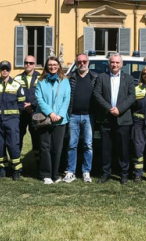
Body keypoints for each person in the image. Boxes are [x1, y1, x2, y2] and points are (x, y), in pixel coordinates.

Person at [93, 53, 136, 184]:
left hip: (123, 119)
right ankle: (105, 173)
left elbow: (132, 96)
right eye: (112, 62)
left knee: (123, 148)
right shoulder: (102, 77)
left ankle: (124, 174)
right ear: (109, 64)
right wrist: (110, 108)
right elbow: (97, 94)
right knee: (105, 148)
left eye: (117, 62)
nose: (115, 65)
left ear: (121, 64)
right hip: (106, 118)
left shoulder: (129, 78)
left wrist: (119, 109)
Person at [63, 53, 98, 183]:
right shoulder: (70, 77)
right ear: (76, 63)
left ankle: (86, 171)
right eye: (79, 62)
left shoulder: (95, 77)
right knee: (72, 144)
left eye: (84, 61)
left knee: (88, 145)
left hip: (89, 116)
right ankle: (70, 171)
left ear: (88, 62)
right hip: (73, 116)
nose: (82, 64)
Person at [35, 56, 71, 185]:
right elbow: (39, 99)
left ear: (59, 66)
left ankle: (55, 174)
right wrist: (50, 113)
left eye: (55, 64)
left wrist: (59, 114)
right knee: (45, 147)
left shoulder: (65, 81)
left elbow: (67, 99)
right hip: (44, 119)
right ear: (46, 66)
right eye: (50, 65)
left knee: (57, 148)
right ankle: (46, 174)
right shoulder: (41, 81)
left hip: (60, 121)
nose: (52, 67)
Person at [0, 60, 26, 180]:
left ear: (10, 70)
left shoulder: (16, 85)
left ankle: (16, 170)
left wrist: (15, 116)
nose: (5, 71)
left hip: (12, 120)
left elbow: (21, 103)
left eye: (7, 69)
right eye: (2, 69)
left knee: (13, 144)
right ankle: (2, 169)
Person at [16, 55, 41, 167]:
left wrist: (32, 105)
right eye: (26, 62)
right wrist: (23, 106)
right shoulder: (17, 78)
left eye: (31, 63)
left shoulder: (41, 78)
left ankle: (38, 164)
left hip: (35, 112)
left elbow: (43, 95)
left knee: (36, 139)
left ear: (34, 64)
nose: (28, 65)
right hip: (21, 113)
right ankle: (16, 163)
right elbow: (14, 95)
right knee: (18, 138)